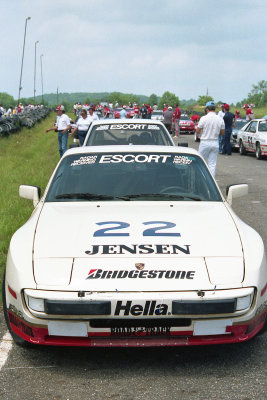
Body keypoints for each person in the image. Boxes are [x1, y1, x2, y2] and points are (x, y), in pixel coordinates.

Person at [196, 101, 225, 177]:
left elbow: (198, 130)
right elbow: (222, 132)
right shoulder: (220, 119)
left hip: (205, 142)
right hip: (215, 142)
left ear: (207, 109)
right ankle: (212, 180)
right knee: (212, 164)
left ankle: (199, 177)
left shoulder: (204, 118)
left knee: (199, 161)